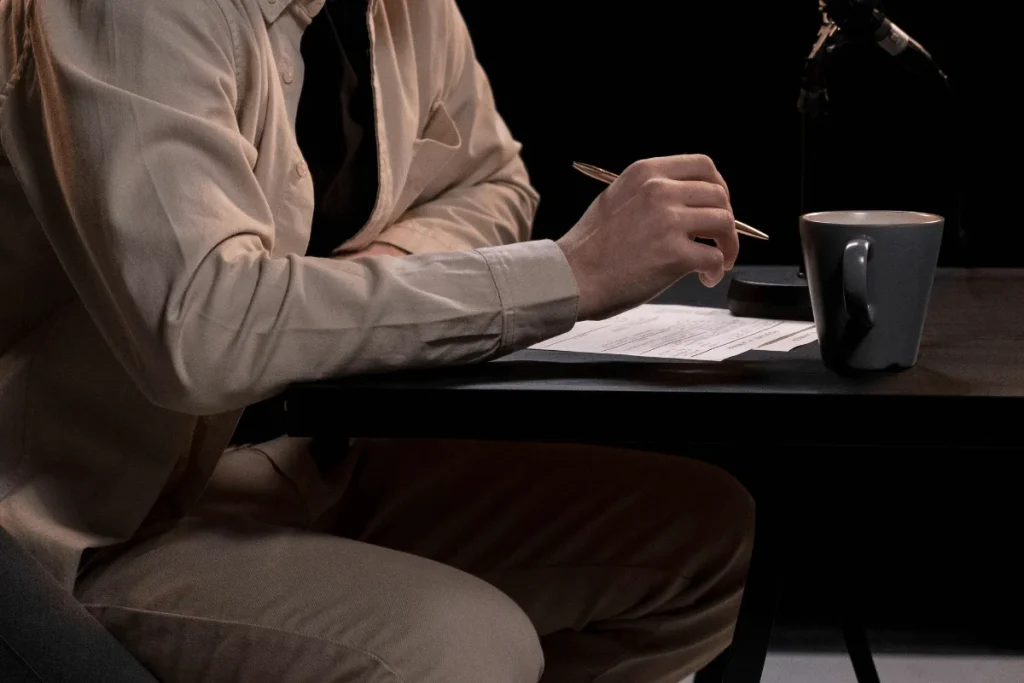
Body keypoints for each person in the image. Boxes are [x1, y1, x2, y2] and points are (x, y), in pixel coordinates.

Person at [0, 0, 753, 681]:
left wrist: (373, 270)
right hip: (106, 529)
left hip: (318, 458)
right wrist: (572, 273)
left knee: (716, 544)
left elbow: (497, 185)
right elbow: (202, 328)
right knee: (466, 648)